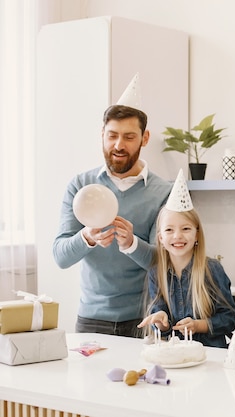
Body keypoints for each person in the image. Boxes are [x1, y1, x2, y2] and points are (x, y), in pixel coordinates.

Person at [53, 76, 172, 337]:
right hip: (90, 320)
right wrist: (87, 236)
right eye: (112, 136)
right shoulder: (80, 185)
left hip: (141, 321)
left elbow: (162, 261)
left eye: (129, 136)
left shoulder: (164, 192)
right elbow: (60, 256)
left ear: (145, 138)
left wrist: (131, 243)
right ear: (102, 136)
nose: (119, 145)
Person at [138, 171, 235, 347]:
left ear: (197, 234)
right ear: (160, 238)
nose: (177, 236)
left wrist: (200, 325)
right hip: (176, 354)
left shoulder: (212, 269)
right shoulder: (156, 274)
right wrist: (162, 322)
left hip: (211, 356)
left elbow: (230, 318)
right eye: (169, 230)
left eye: (185, 229)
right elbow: (161, 321)